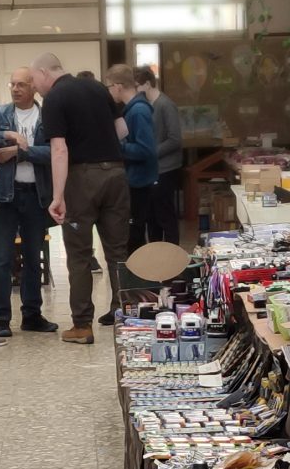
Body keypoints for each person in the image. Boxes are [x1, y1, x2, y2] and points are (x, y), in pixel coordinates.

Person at [44, 58, 132, 344]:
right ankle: (125, 317)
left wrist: (57, 196)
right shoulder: (97, 88)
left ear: (44, 73)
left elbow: (59, 150)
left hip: (82, 179)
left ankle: (82, 325)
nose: (36, 86)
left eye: (34, 80)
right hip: (115, 174)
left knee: (80, 254)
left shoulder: (55, 97)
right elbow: (123, 131)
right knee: (118, 251)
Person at [0, 65, 56, 333]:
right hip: (4, 197)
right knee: (1, 258)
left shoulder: (46, 117)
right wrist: (6, 135)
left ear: (33, 87)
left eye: (21, 84)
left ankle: (32, 315)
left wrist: (20, 153)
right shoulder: (0, 114)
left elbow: (55, 152)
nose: (16, 89)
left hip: (36, 195)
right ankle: (0, 319)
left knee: (33, 258)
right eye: (13, 84)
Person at [141, 64, 185, 241]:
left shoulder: (166, 105)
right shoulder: (146, 105)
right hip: (152, 169)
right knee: (152, 217)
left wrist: (151, 152)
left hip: (166, 169)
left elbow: (175, 139)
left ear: (147, 84)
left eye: (136, 85)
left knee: (165, 215)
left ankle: (173, 252)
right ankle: (156, 252)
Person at [121, 66, 163, 250]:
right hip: (136, 180)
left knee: (136, 234)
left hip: (139, 182)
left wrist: (119, 147)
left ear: (118, 86)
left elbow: (145, 149)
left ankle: (140, 268)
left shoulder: (138, 111)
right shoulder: (132, 110)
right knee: (136, 233)